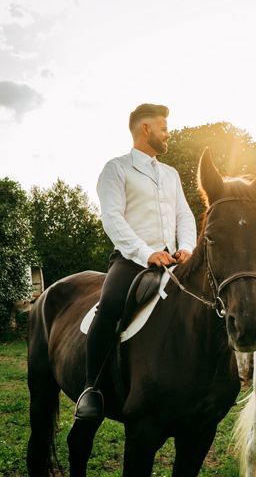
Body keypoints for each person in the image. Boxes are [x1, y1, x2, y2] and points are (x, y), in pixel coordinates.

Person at [74, 104, 197, 421]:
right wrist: (145, 253)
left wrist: (187, 248)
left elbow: (184, 214)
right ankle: (92, 389)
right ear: (146, 129)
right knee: (110, 305)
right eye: (164, 127)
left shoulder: (170, 174)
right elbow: (112, 219)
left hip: (172, 260)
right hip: (131, 261)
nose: (167, 133)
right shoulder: (117, 169)